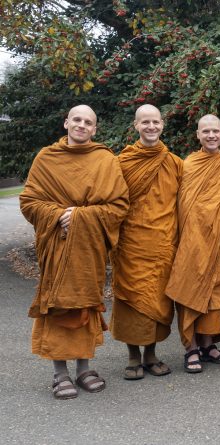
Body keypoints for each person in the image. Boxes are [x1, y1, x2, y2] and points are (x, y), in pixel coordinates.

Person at [20, 105, 129, 399]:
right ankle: (60, 373)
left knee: (84, 304)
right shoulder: (46, 158)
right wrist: (58, 215)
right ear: (66, 122)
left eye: (88, 122)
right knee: (59, 304)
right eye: (77, 119)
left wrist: (80, 218)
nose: (81, 125)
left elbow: (119, 205)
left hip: (88, 248)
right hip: (56, 245)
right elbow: (29, 201)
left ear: (95, 130)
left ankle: (84, 368)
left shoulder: (105, 159)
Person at [111, 104, 182, 380]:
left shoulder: (175, 163)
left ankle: (150, 354)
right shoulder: (121, 162)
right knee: (131, 300)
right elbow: (111, 202)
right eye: (145, 122)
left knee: (156, 301)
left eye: (155, 122)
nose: (151, 127)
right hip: (130, 244)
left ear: (162, 125)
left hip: (164, 243)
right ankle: (132, 356)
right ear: (136, 126)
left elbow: (183, 204)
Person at [165, 114, 220, 373]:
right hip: (192, 241)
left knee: (215, 292)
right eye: (205, 131)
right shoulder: (188, 165)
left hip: (219, 240)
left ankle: (208, 345)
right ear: (197, 135)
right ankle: (191, 348)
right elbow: (182, 207)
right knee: (191, 289)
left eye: (215, 131)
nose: (211, 136)